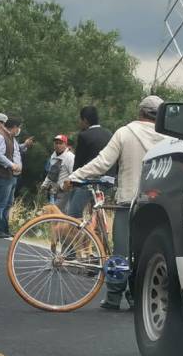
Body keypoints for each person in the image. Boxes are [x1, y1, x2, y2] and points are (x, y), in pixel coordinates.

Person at [63, 95, 165, 310]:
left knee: (122, 252)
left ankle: (113, 297)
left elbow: (101, 163)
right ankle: (140, 297)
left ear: (140, 112)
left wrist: (75, 177)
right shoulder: (170, 137)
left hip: (128, 201)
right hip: (160, 205)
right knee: (151, 251)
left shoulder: (125, 133)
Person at [67, 106, 114, 219]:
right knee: (97, 213)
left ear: (85, 120)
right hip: (108, 180)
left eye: (80, 120)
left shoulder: (84, 135)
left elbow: (79, 162)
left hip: (89, 181)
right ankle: (99, 234)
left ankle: (74, 234)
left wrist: (73, 180)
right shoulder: (109, 134)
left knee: (73, 212)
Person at [0, 117, 23, 239]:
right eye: (18, 127)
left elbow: (16, 153)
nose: (19, 130)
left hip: (11, 175)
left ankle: (4, 228)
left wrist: (17, 167)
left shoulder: (12, 138)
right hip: (2, 175)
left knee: (8, 203)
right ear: (14, 127)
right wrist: (12, 165)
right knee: (1, 203)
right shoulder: (0, 137)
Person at [40, 135, 76, 209]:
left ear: (65, 145)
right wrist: (44, 185)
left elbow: (73, 175)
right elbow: (51, 174)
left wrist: (63, 186)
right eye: (56, 143)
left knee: (58, 215)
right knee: (57, 216)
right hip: (53, 192)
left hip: (65, 192)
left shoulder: (70, 157)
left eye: (60, 143)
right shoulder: (53, 157)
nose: (58, 145)